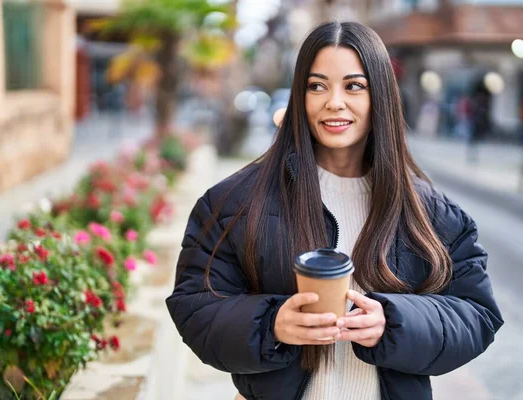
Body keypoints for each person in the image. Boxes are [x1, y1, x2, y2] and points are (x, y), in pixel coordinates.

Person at [166, 21, 503, 400]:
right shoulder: (234, 203)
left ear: (380, 96)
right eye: (317, 85)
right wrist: (271, 324)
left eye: (354, 86)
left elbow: (476, 313)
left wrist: (395, 322)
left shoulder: (432, 213)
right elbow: (195, 306)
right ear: (300, 95)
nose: (334, 102)